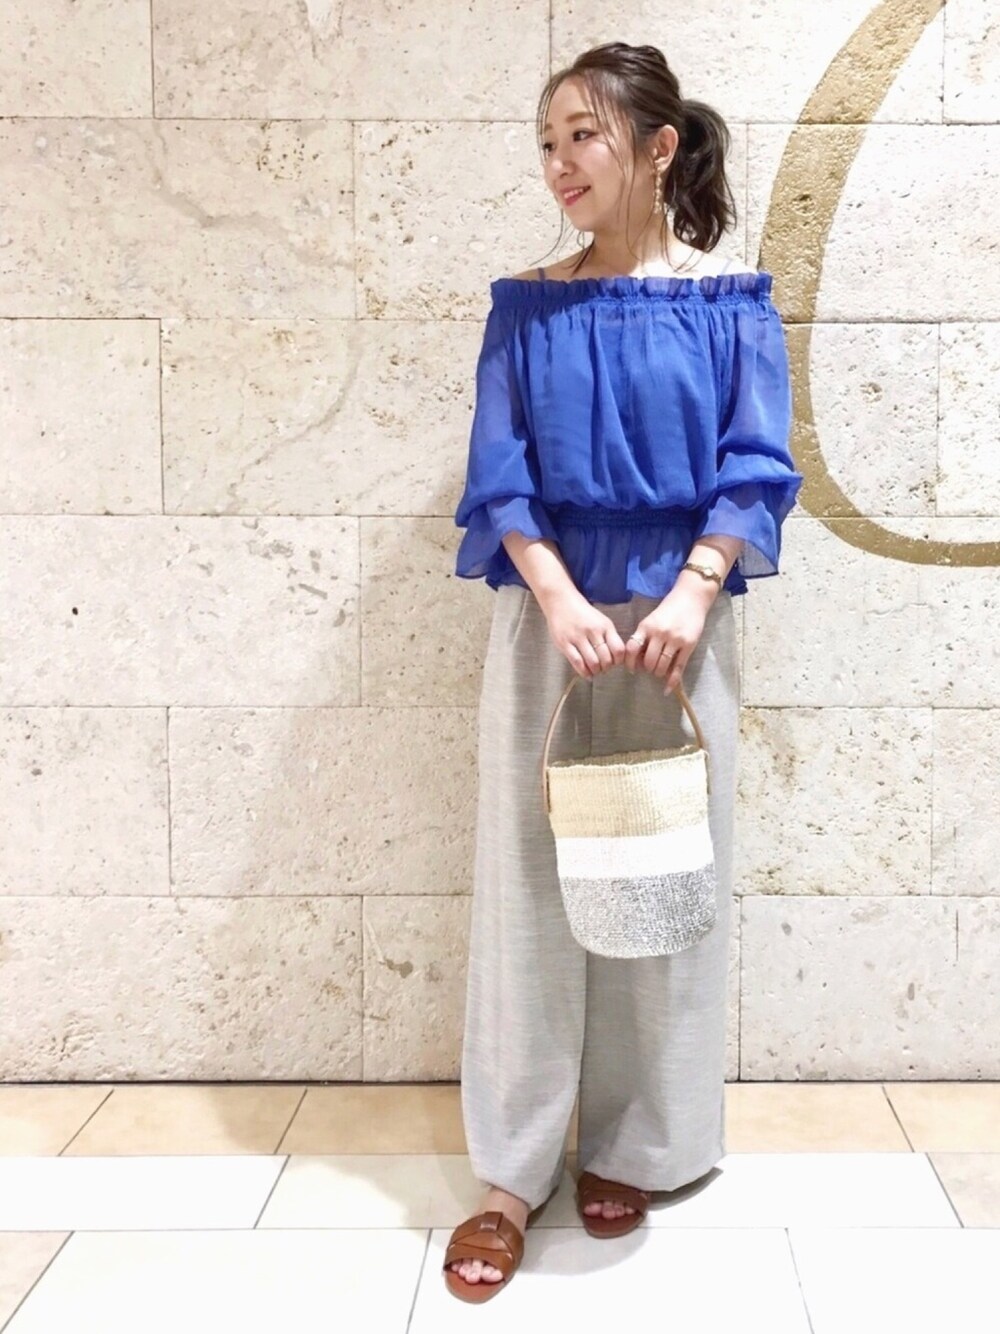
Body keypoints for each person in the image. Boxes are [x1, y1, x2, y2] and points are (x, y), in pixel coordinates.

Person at [443, 41, 804, 1303]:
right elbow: (498, 471)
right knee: (529, 886)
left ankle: (638, 1142)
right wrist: (556, 597)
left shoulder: (730, 303)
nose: (559, 164)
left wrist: (694, 588)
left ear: (657, 147)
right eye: (547, 141)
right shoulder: (524, 306)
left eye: (583, 136)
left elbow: (755, 464)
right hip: (547, 617)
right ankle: (510, 1173)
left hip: (678, 629)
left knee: (662, 878)